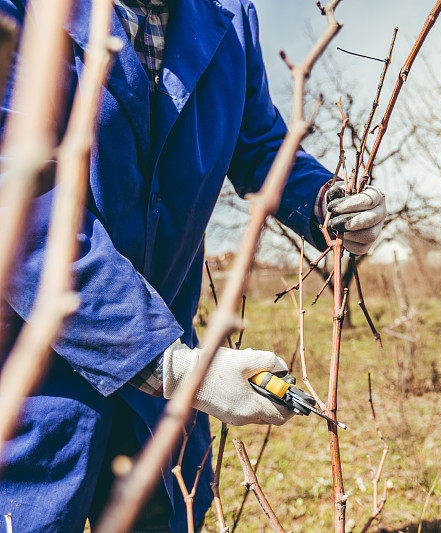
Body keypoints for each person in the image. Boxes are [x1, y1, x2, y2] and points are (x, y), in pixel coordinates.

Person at [0, 0, 386, 531]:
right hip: (31, 376)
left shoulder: (227, 18)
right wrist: (168, 366)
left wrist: (326, 203)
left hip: (162, 371)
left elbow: (260, 143)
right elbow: (21, 204)